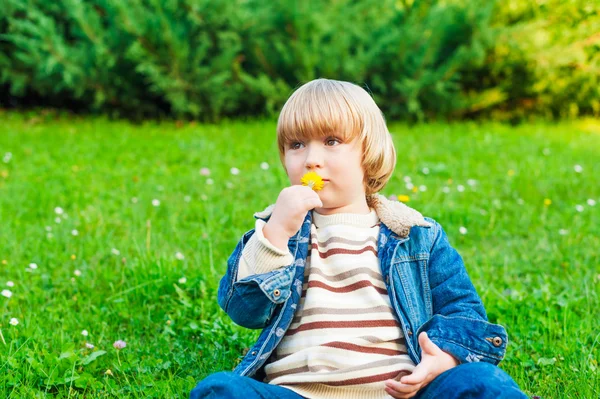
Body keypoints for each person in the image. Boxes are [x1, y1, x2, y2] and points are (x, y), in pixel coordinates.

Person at [190, 79, 527, 398]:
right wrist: (276, 234)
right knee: (220, 390)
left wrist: (444, 358)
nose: (311, 159)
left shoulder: (415, 235)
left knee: (482, 382)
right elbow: (244, 310)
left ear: (368, 154)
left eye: (332, 141)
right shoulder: (277, 233)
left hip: (402, 393)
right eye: (296, 145)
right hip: (298, 392)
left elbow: (463, 310)